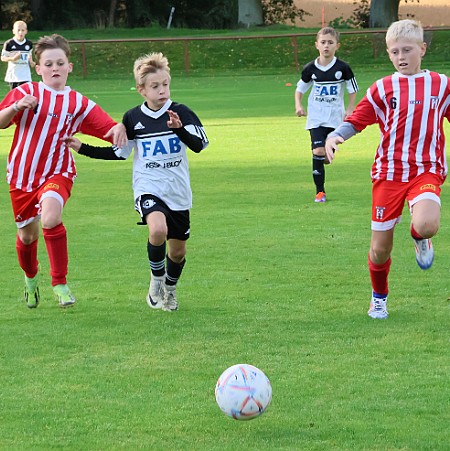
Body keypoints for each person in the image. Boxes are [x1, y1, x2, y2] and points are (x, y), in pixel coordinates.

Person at [325, 19, 450, 319]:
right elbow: (359, 118)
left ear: (422, 49)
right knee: (380, 249)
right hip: (388, 174)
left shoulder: (442, 84)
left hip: (425, 170)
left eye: (407, 49)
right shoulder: (383, 87)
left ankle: (420, 237)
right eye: (394, 52)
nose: (401, 56)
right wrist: (336, 135)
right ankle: (379, 297)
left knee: (427, 224)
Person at [65, 52, 209, 312]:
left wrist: (178, 129)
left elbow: (199, 146)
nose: (162, 90)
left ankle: (170, 289)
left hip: (177, 191)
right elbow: (119, 153)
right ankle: (156, 280)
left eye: (165, 84)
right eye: (155, 86)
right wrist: (82, 147)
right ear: (142, 90)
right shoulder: (133, 118)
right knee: (157, 229)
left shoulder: (182, 112)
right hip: (148, 187)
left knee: (177, 253)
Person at [0, 34, 126, 309]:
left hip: (58, 172)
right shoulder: (24, 93)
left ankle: (60, 283)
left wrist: (118, 128)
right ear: (38, 67)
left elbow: (107, 128)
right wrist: (15, 107)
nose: (54, 68)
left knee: (50, 217)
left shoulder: (78, 103)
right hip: (22, 176)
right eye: (48, 63)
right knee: (26, 236)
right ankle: (31, 279)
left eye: (60, 62)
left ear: (69, 66)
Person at [295, 26, 358, 203]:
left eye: (330, 43)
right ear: (317, 45)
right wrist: (298, 105)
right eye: (323, 42)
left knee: (324, 157)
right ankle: (320, 192)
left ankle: (323, 157)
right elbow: (300, 89)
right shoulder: (310, 69)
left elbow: (352, 88)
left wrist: (350, 108)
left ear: (337, 45)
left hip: (335, 118)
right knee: (319, 150)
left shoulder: (343, 68)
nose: (326, 46)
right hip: (316, 118)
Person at [1, 20, 35, 90]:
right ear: (13, 31)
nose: (20, 32)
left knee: (26, 97)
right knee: (15, 99)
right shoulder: (9, 44)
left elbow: (30, 61)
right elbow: (3, 58)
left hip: (26, 76)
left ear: (26, 31)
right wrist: (13, 59)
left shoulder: (29, 44)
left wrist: (32, 63)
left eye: (23, 30)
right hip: (14, 76)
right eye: (18, 30)